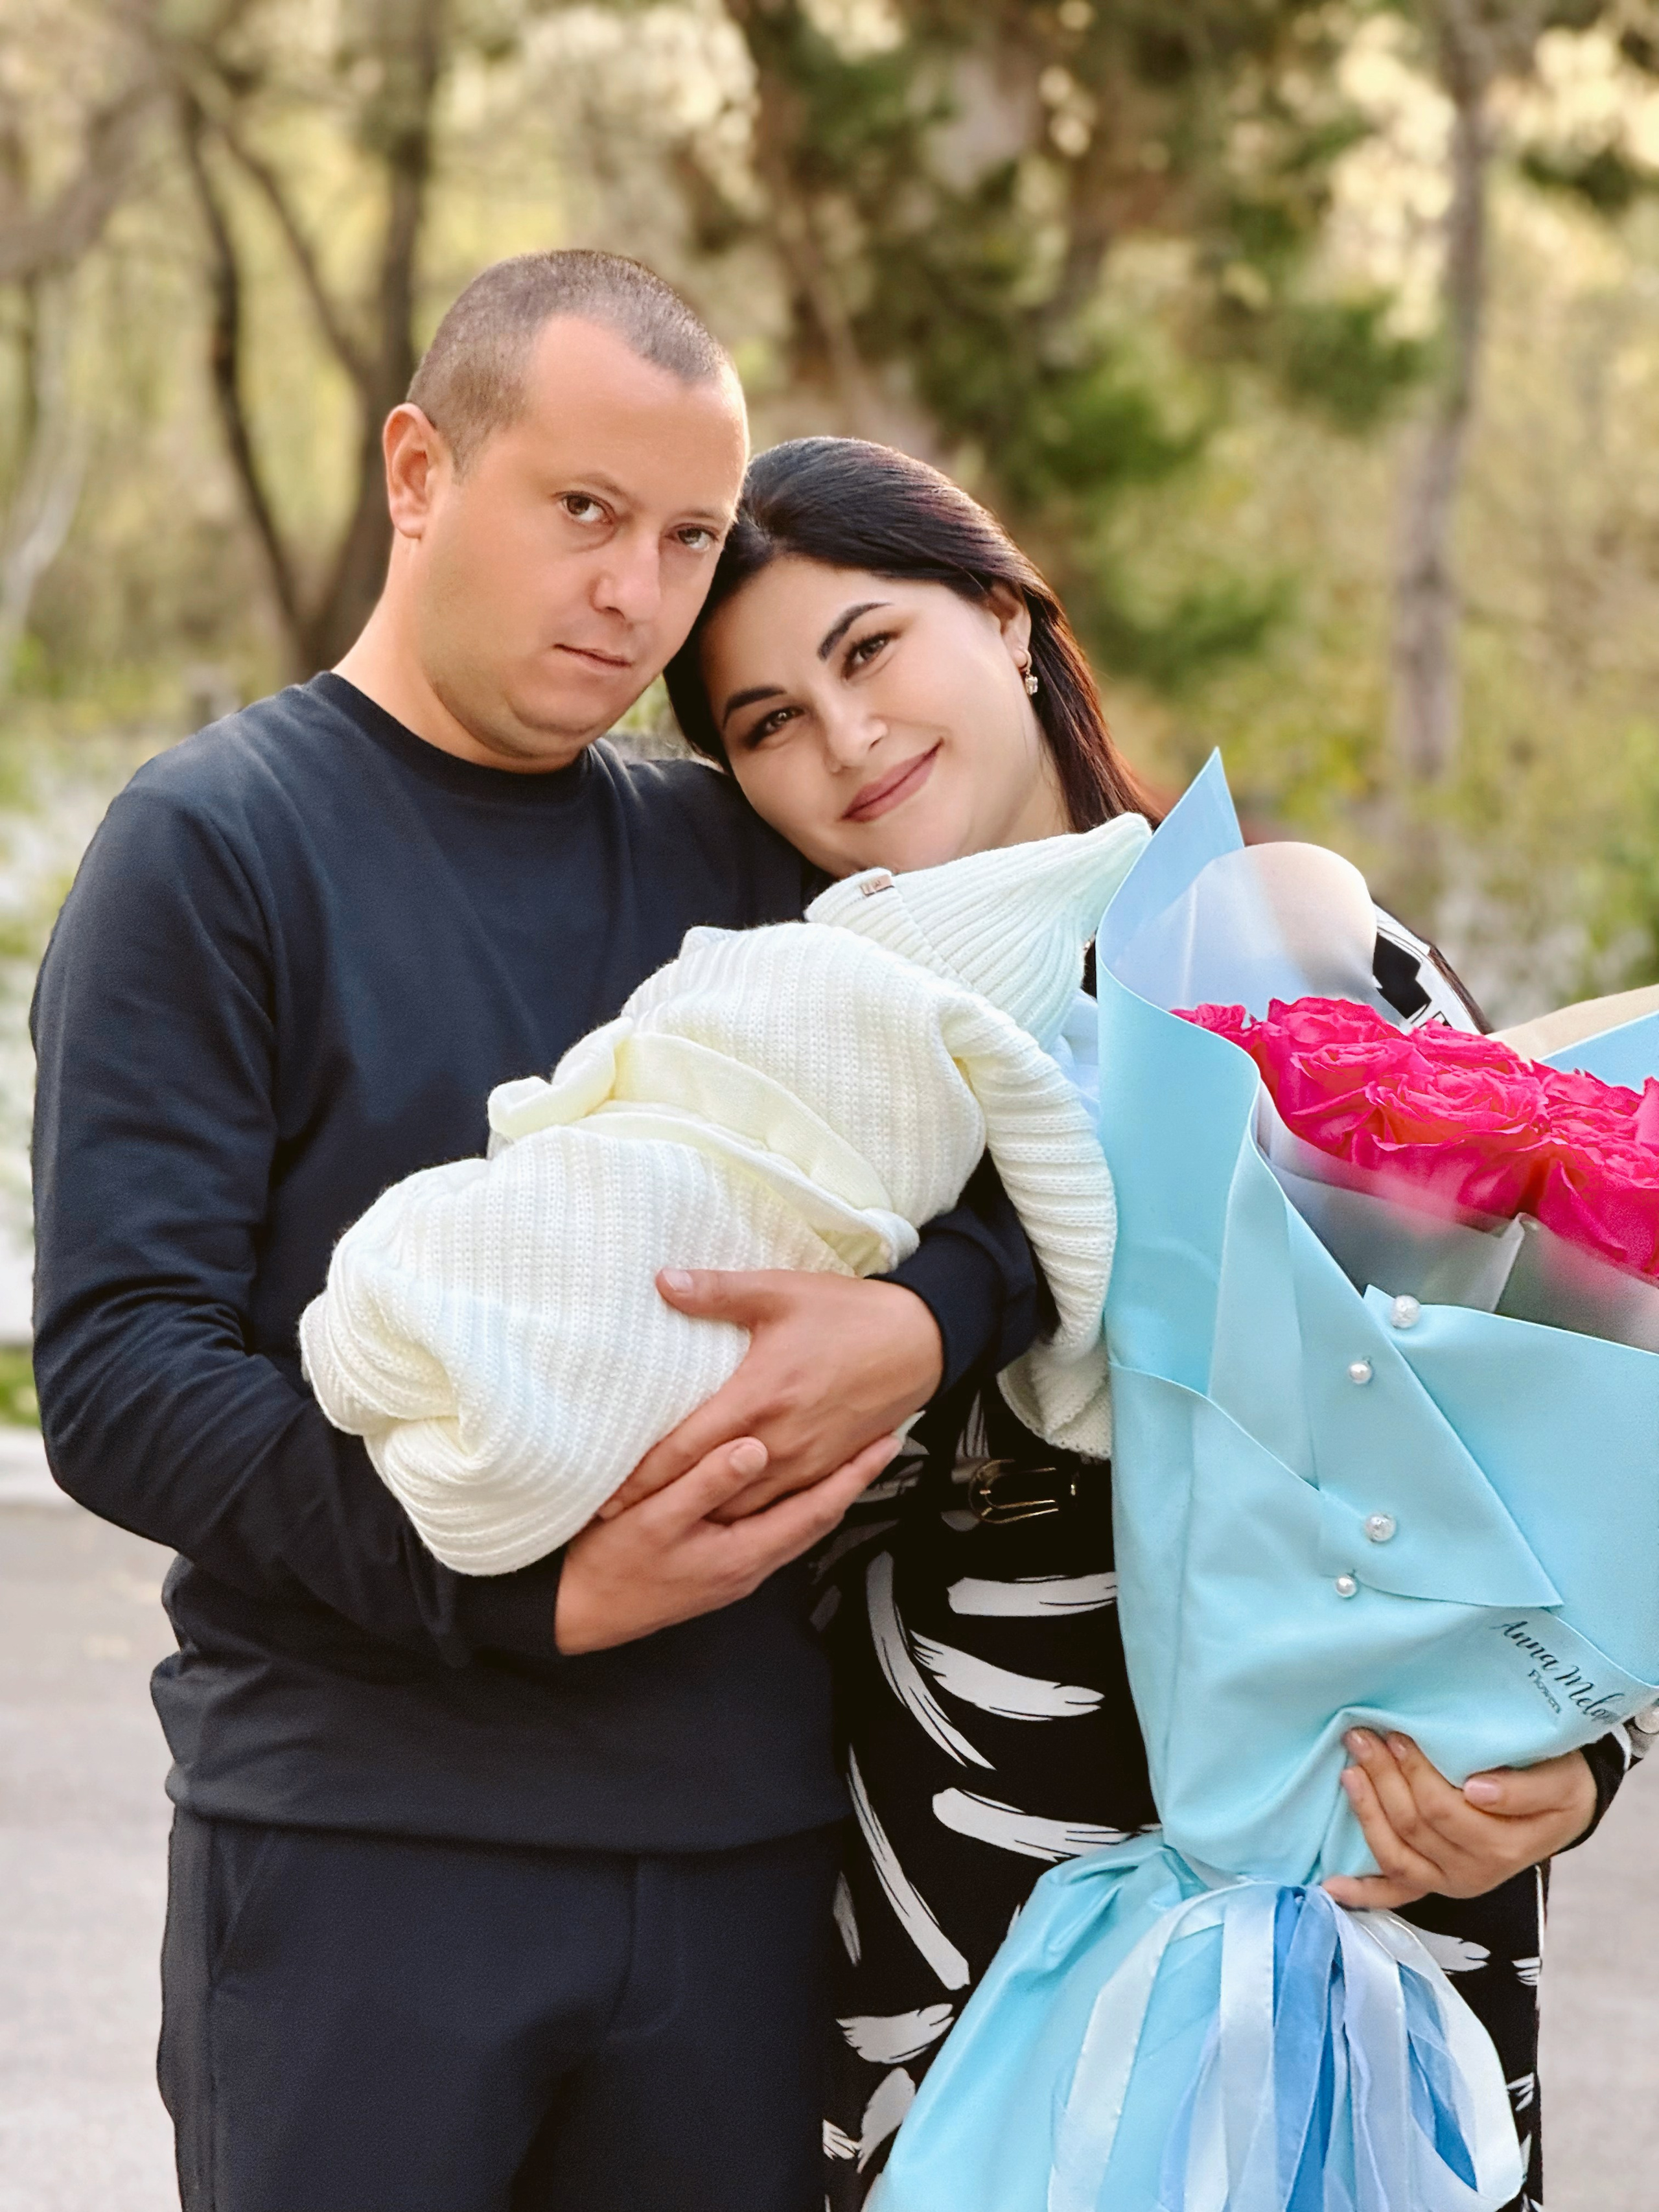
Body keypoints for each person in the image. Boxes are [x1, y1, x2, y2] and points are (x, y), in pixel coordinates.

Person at [29, 258, 1044, 2212]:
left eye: (682, 538)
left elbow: (1019, 1157)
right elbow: (123, 1375)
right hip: (364, 1857)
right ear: (419, 469)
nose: (637, 595)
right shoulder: (212, 848)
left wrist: (926, 1323)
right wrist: (522, 1597)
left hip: (752, 1859)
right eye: (582, 513)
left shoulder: (737, 852)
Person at [660, 433, 1642, 2209]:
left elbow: (1579, 1399)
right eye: (767, 722)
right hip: (971, 1898)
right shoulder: (790, 1067)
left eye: (868, 650)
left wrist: (1582, 1763)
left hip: (1376, 1888)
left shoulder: (1313, 959)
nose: (844, 737)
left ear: (1008, 615)